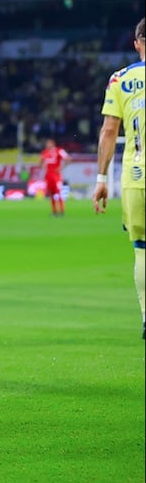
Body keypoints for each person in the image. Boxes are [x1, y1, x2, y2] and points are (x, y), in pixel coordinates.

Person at [93, 17, 145, 340]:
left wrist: (101, 178)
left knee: (142, 249)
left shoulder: (121, 80)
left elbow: (109, 131)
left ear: (137, 42)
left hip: (136, 176)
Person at [39, 138, 69, 216]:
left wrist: (60, 168)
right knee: (51, 194)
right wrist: (41, 166)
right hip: (48, 176)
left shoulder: (59, 150)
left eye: (49, 143)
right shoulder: (44, 152)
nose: (47, 145)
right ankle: (54, 211)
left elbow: (68, 159)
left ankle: (62, 211)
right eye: (47, 144)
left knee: (59, 193)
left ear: (53, 144)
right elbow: (40, 163)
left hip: (56, 176)